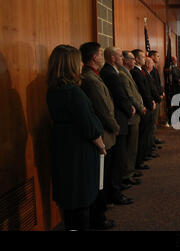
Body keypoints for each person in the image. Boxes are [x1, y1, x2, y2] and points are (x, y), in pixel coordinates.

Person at [47, 45, 107, 231]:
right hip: (79, 149)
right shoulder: (73, 92)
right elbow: (88, 125)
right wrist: (101, 144)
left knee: (70, 197)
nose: (82, 63)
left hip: (63, 146)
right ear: (71, 65)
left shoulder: (53, 90)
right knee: (81, 196)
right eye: (78, 60)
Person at [79, 42, 119, 230]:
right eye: (100, 53)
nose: (102, 56)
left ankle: (101, 210)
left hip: (107, 132)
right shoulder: (90, 79)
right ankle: (98, 218)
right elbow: (103, 108)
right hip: (104, 132)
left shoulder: (94, 76)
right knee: (100, 178)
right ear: (94, 57)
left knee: (107, 172)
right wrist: (114, 125)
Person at [100, 47, 134, 205]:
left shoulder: (112, 71)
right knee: (117, 159)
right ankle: (115, 192)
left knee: (119, 158)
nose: (123, 59)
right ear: (113, 58)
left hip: (121, 117)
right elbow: (120, 96)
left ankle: (116, 189)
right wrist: (130, 109)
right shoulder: (110, 73)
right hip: (119, 119)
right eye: (120, 56)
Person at [119, 51, 147, 184]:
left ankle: (130, 170)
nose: (134, 61)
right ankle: (127, 174)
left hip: (136, 112)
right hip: (132, 115)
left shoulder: (127, 72)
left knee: (133, 145)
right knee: (130, 146)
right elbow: (130, 95)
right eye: (132, 59)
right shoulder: (123, 74)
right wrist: (140, 106)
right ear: (125, 60)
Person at [131, 49, 156, 168]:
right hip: (144, 105)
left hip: (148, 103)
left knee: (146, 133)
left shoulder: (141, 71)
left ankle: (144, 154)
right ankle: (139, 160)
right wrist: (149, 103)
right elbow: (142, 90)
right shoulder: (136, 72)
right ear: (136, 59)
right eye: (142, 57)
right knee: (142, 135)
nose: (144, 58)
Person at [148, 51, 165, 145]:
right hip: (154, 97)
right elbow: (152, 85)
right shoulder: (150, 70)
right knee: (152, 121)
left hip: (157, 96)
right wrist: (158, 94)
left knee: (155, 120)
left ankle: (153, 139)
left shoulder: (154, 68)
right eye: (157, 56)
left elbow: (158, 83)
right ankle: (151, 141)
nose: (159, 58)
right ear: (152, 56)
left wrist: (161, 92)